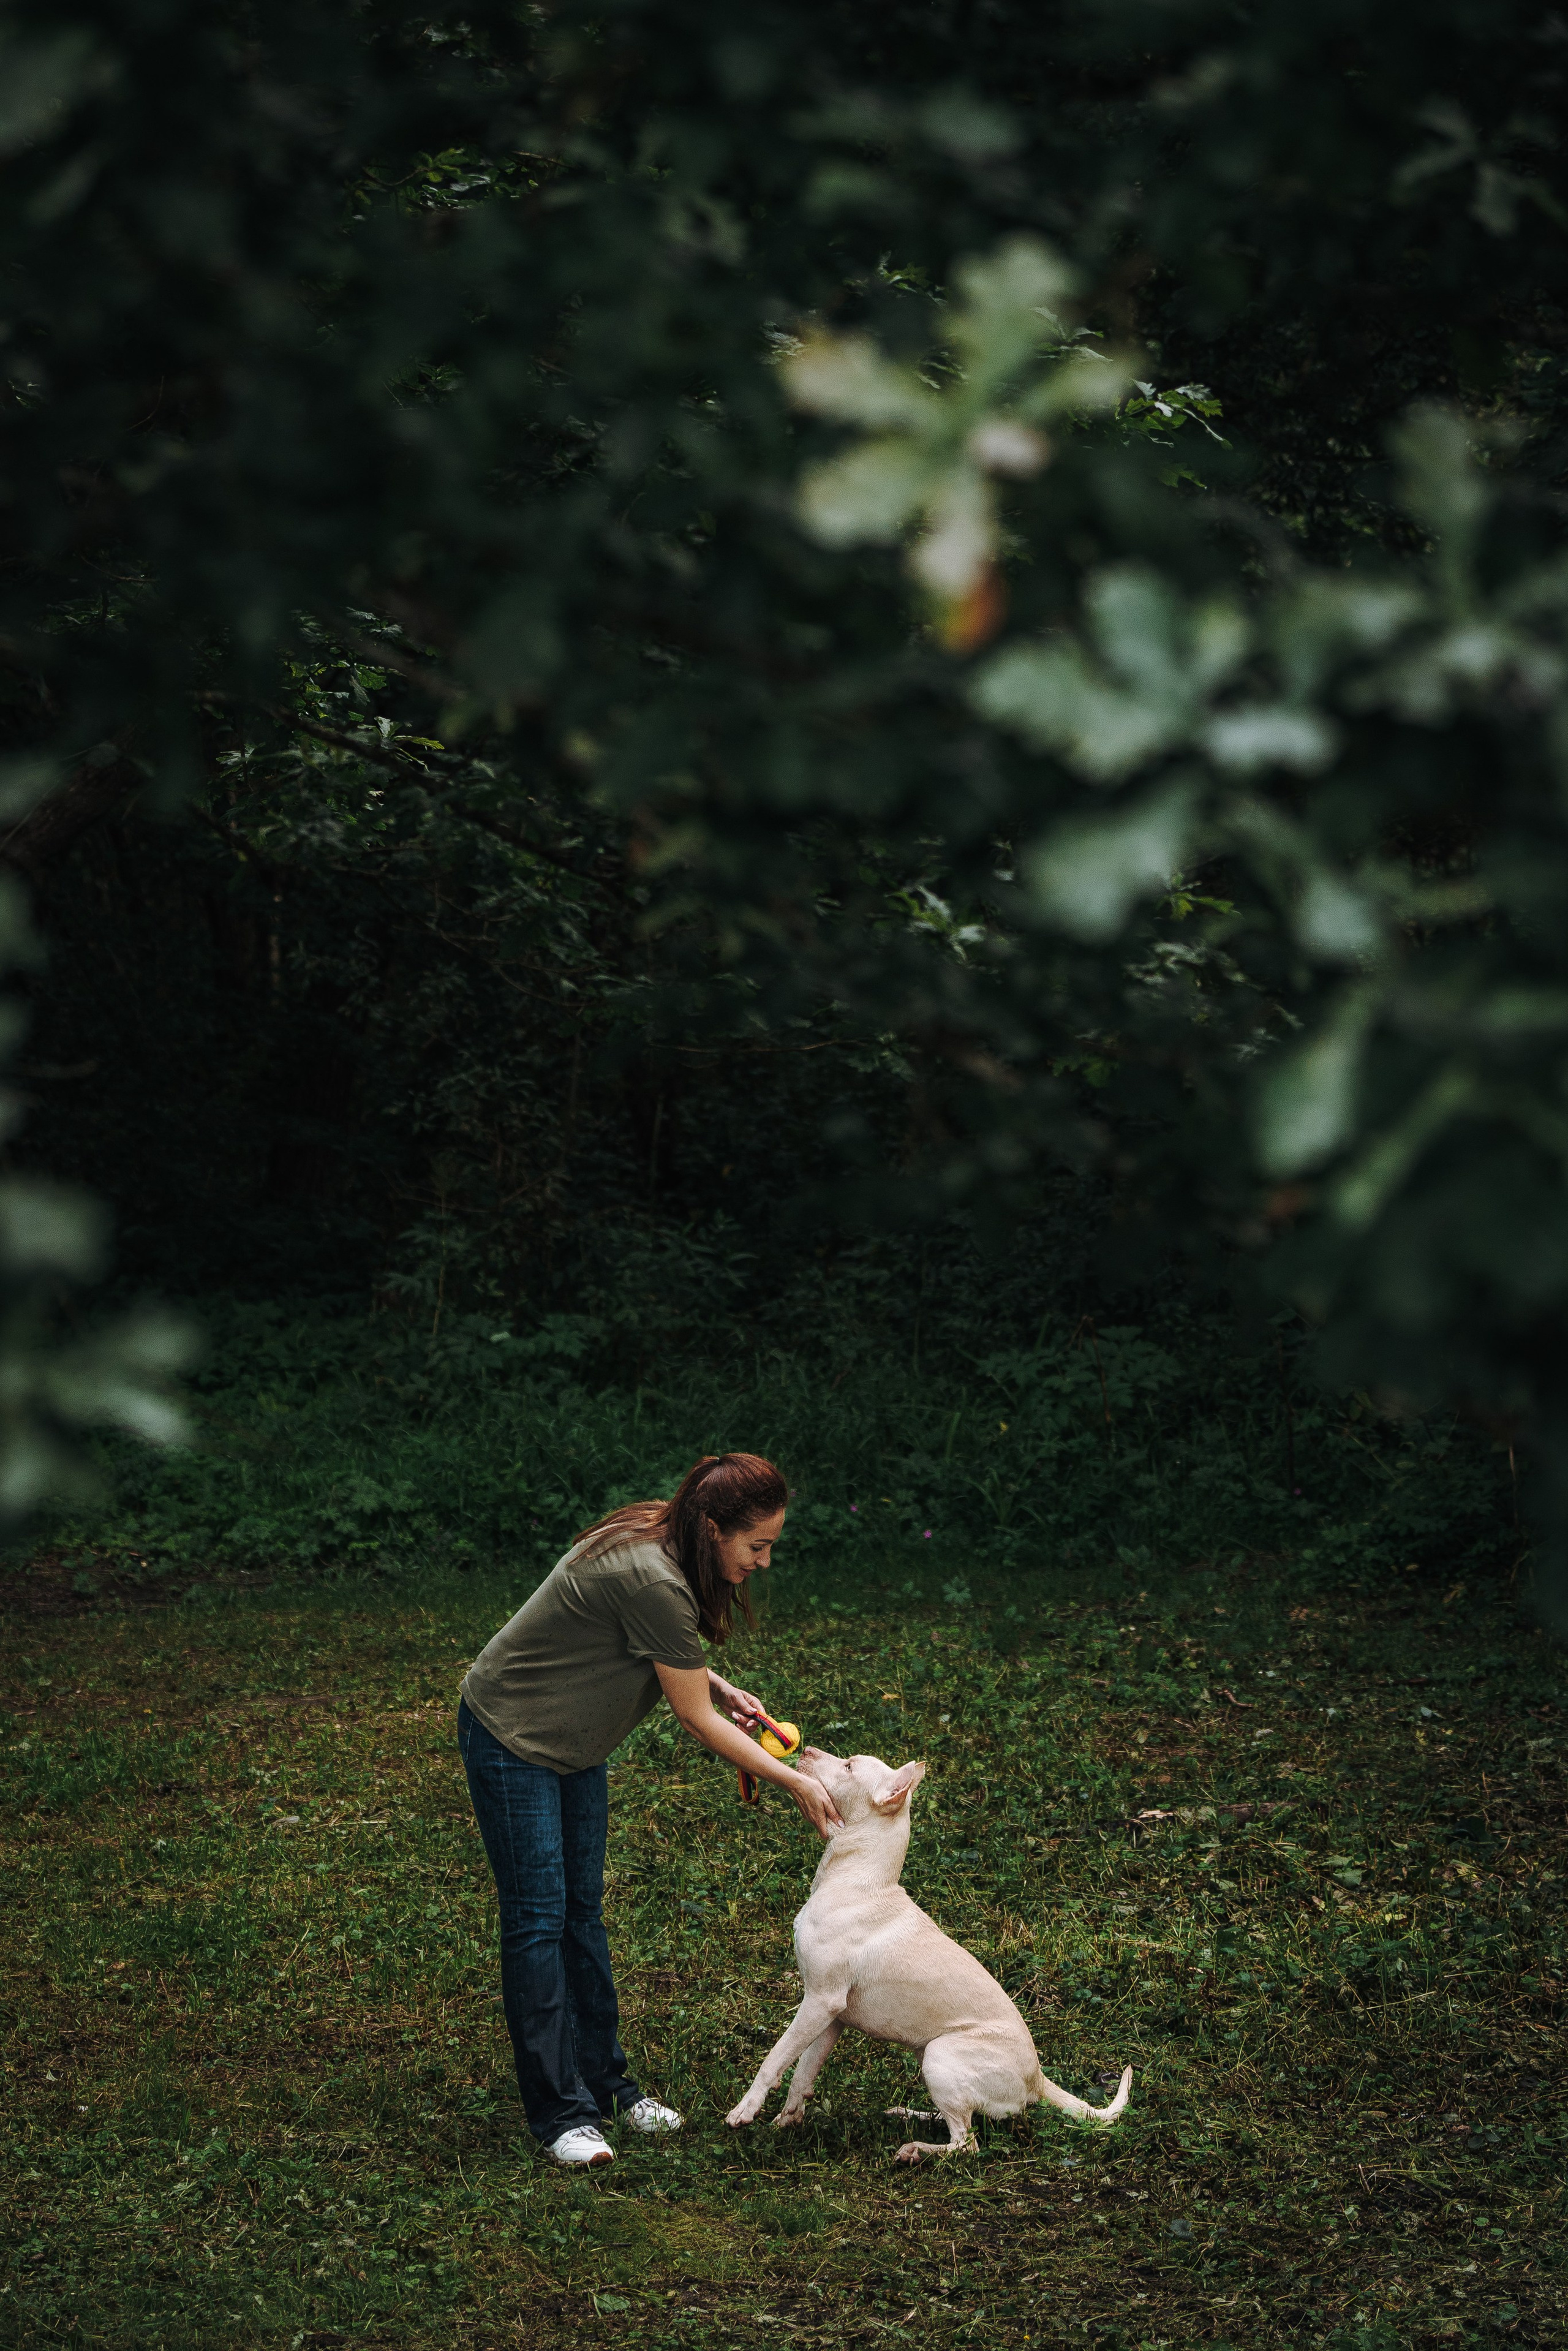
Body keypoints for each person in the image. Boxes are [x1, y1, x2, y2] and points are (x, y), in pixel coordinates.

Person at [456, 1451, 842, 2167]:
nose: (762, 1561)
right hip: (513, 1736)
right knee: (539, 1921)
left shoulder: (660, 1537)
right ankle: (560, 2114)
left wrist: (715, 1681)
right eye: (756, 1545)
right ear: (712, 1528)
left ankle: (609, 2088)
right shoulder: (652, 1574)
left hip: (571, 1742)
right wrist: (796, 1781)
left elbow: (657, 1644)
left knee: (580, 1913)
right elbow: (693, 1719)